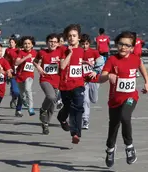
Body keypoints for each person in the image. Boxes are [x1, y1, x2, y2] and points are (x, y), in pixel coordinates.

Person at [97, 31, 148, 167]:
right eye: (121, 44)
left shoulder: (135, 58)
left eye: (127, 45)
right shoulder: (112, 60)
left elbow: (141, 66)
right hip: (114, 100)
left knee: (125, 117)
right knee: (113, 126)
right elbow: (101, 78)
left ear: (132, 48)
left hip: (131, 97)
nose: (123, 47)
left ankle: (129, 147)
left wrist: (146, 81)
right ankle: (110, 149)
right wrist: (108, 76)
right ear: (116, 44)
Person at [58, 24, 85, 144]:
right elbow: (63, 66)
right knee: (68, 107)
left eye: (74, 36)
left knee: (78, 108)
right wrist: (70, 53)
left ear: (79, 38)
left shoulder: (82, 50)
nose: (71, 38)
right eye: (69, 36)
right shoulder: (63, 50)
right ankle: (61, 118)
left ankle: (75, 133)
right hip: (65, 86)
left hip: (78, 85)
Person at [34, 33, 61, 134]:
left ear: (58, 43)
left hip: (57, 80)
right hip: (45, 79)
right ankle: (42, 109)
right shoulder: (42, 52)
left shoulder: (60, 51)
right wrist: (38, 67)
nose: (52, 44)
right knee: (51, 97)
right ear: (47, 42)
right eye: (50, 41)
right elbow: (35, 61)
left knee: (53, 105)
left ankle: (45, 123)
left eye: (55, 42)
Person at [80, 33, 104, 129]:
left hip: (94, 80)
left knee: (93, 99)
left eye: (86, 44)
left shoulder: (94, 52)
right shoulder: (78, 52)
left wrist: (95, 71)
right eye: (82, 44)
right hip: (83, 80)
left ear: (89, 43)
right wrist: (84, 62)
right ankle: (85, 120)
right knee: (85, 100)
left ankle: (85, 115)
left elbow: (101, 63)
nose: (84, 46)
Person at [15, 36, 37, 117]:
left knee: (28, 89)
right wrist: (26, 57)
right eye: (25, 44)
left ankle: (31, 108)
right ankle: (24, 101)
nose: (27, 45)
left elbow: (38, 62)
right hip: (20, 75)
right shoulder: (21, 53)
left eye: (29, 44)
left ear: (32, 45)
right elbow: (16, 63)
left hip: (30, 75)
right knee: (22, 94)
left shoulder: (35, 53)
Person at [4, 37, 20, 109]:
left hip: (19, 72)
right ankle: (14, 97)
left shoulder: (18, 51)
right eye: (10, 42)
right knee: (15, 89)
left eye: (12, 42)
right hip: (11, 72)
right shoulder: (7, 50)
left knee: (18, 90)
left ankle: (14, 98)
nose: (10, 43)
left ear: (15, 43)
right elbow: (4, 60)